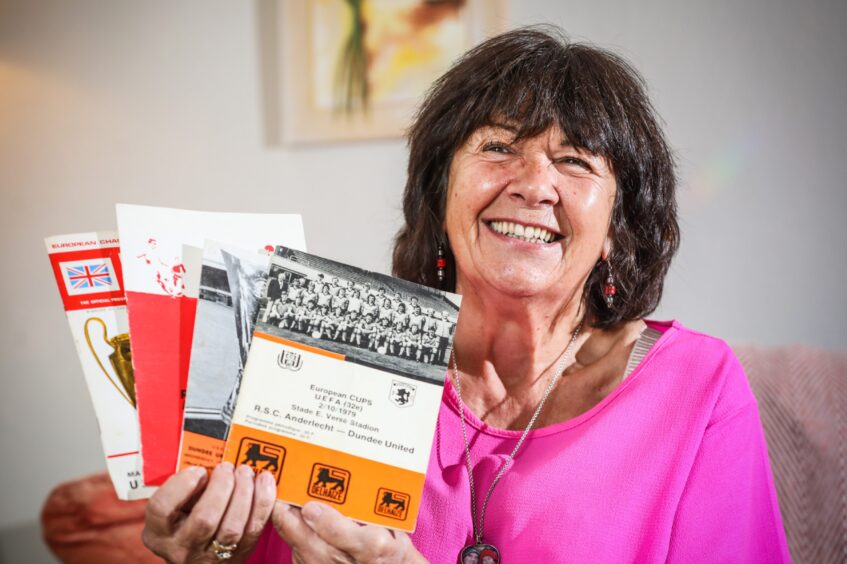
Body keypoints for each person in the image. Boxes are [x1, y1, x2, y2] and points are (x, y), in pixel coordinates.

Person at [142, 27, 790, 563]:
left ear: (616, 229)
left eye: (574, 161)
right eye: (497, 146)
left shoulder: (697, 386)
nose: (532, 183)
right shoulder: (328, 356)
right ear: (439, 195)